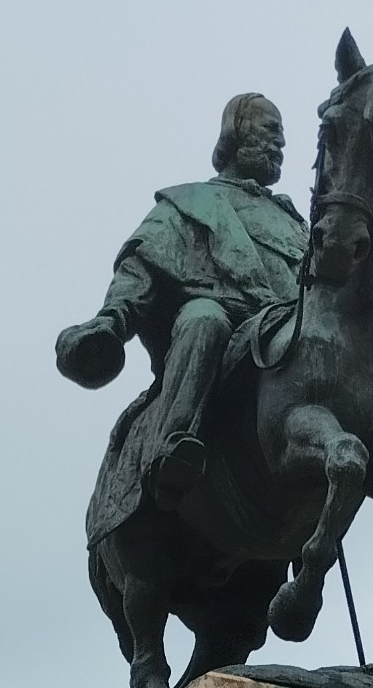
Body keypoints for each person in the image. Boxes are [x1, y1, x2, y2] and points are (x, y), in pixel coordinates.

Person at [56, 93, 307, 514]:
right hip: (223, 329)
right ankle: (173, 446)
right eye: (271, 130)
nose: (280, 143)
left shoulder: (296, 223)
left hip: (284, 333)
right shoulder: (190, 202)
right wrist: (110, 323)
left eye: (283, 135)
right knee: (203, 319)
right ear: (237, 132)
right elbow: (141, 269)